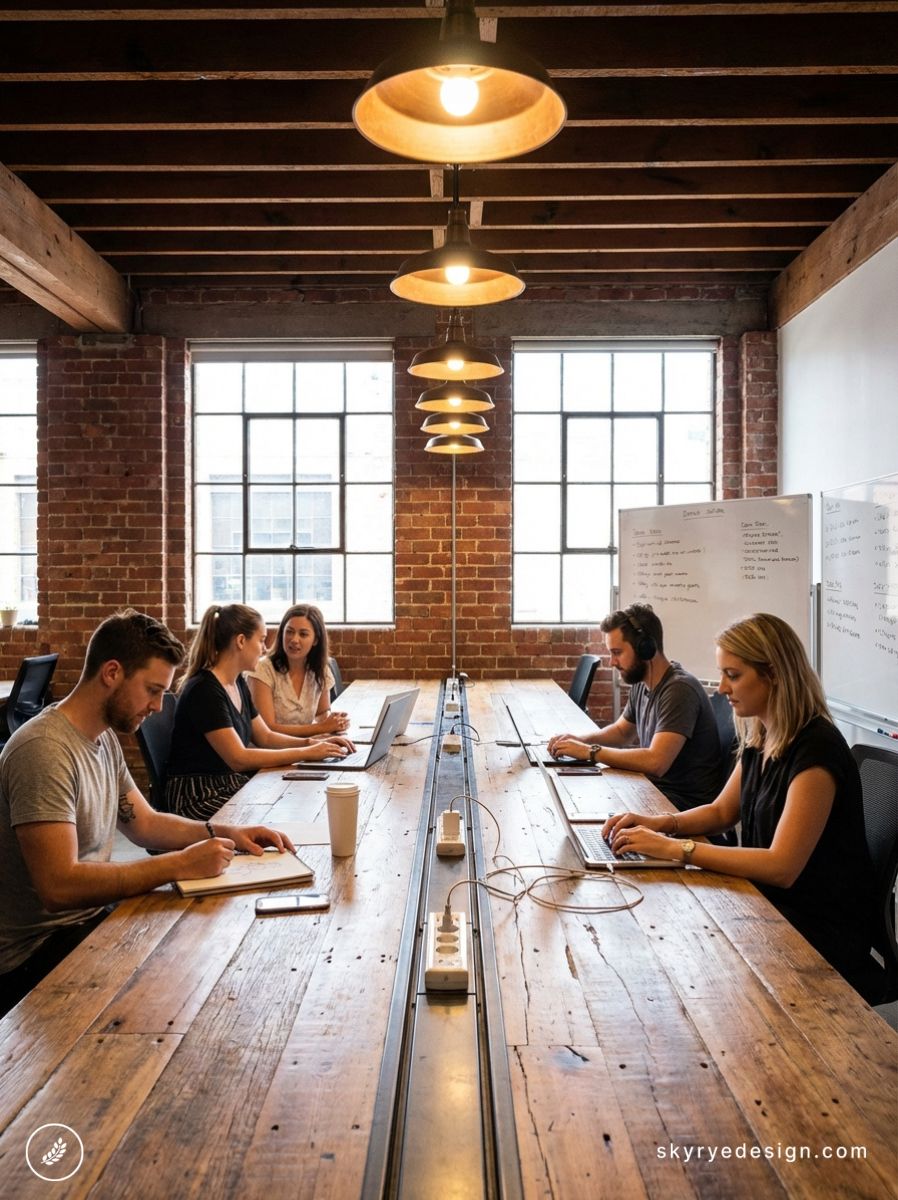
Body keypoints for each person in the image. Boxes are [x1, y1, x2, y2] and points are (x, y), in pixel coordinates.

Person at [0, 609, 297, 1015]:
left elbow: (144, 823)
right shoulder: (44, 750)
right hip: (36, 952)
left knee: (205, 959)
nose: (158, 707)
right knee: (184, 995)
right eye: (153, 690)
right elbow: (59, 886)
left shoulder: (101, 738)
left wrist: (225, 831)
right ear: (111, 673)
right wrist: (177, 866)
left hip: (86, 921)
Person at [603, 613, 875, 996]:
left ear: (774, 674)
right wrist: (657, 823)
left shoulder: (817, 749)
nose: (723, 688)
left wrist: (678, 850)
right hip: (770, 903)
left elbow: (782, 866)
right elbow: (720, 812)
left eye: (734, 675)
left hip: (816, 930)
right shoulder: (763, 733)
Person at [165, 603, 354, 820]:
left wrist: (313, 743)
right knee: (277, 819)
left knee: (297, 808)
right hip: (197, 796)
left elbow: (265, 736)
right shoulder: (204, 689)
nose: (265, 648)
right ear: (241, 641)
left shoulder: (237, 683)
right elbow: (238, 758)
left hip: (228, 783)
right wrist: (306, 752)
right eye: (261, 640)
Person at [547, 603, 721, 811]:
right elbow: (622, 732)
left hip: (681, 807)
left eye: (617, 652)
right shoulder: (642, 682)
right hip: (655, 792)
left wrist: (589, 751)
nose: (612, 662)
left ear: (646, 648)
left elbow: (656, 762)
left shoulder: (679, 689)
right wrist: (579, 741)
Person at [247, 603, 349, 738]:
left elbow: (322, 715)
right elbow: (267, 729)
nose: (294, 640)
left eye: (303, 634)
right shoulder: (262, 669)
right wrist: (321, 728)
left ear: (316, 640)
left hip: (303, 749)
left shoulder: (321, 670)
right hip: (270, 752)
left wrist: (335, 722)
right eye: (289, 632)